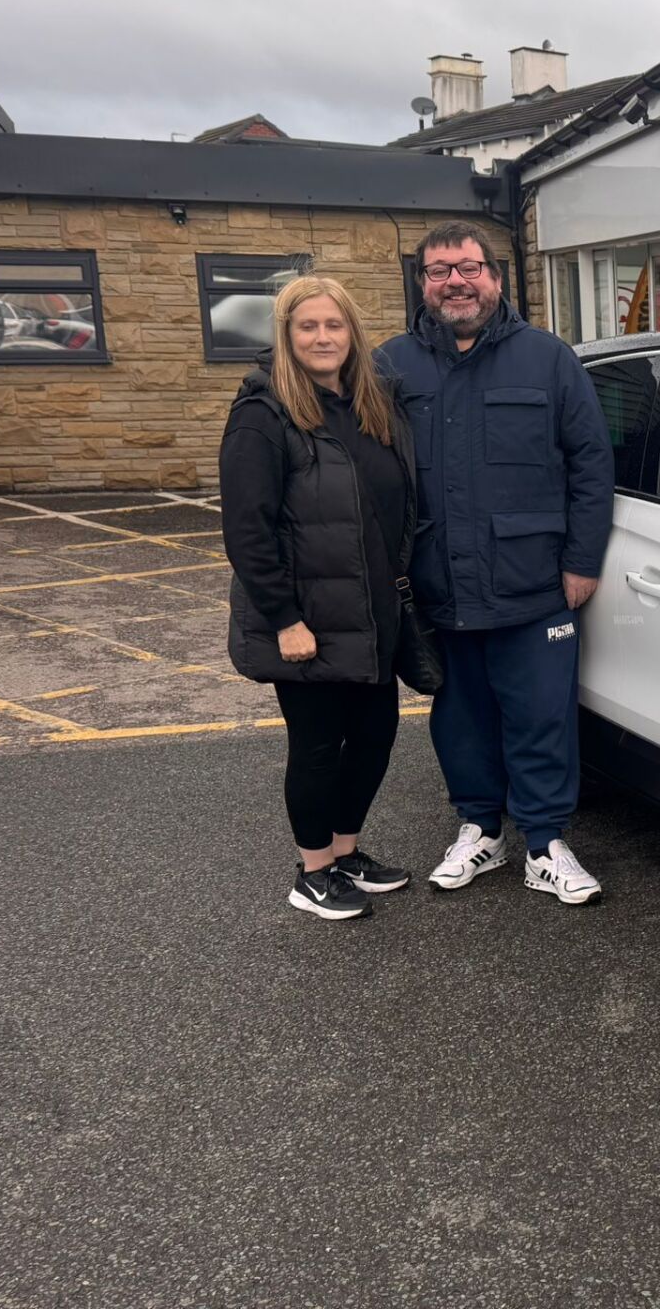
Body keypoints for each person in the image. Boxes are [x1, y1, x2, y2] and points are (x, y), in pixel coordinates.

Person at [376, 222, 614, 906]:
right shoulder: (391, 366)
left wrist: (582, 560)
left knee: (541, 714)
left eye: (470, 267)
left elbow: (591, 465)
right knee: (460, 718)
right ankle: (479, 829)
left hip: (533, 581)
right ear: (422, 283)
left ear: (496, 278)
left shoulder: (548, 359)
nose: (456, 281)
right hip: (436, 582)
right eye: (440, 269)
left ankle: (544, 843)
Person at [220, 276, 415, 921]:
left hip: (370, 610)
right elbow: (247, 529)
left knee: (374, 737)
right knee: (316, 746)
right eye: (308, 326)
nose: (323, 337)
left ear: (353, 333)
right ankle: (313, 871)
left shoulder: (371, 404)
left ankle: (346, 851)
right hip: (307, 619)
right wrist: (284, 618)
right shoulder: (263, 413)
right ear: (287, 335)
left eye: (335, 325)